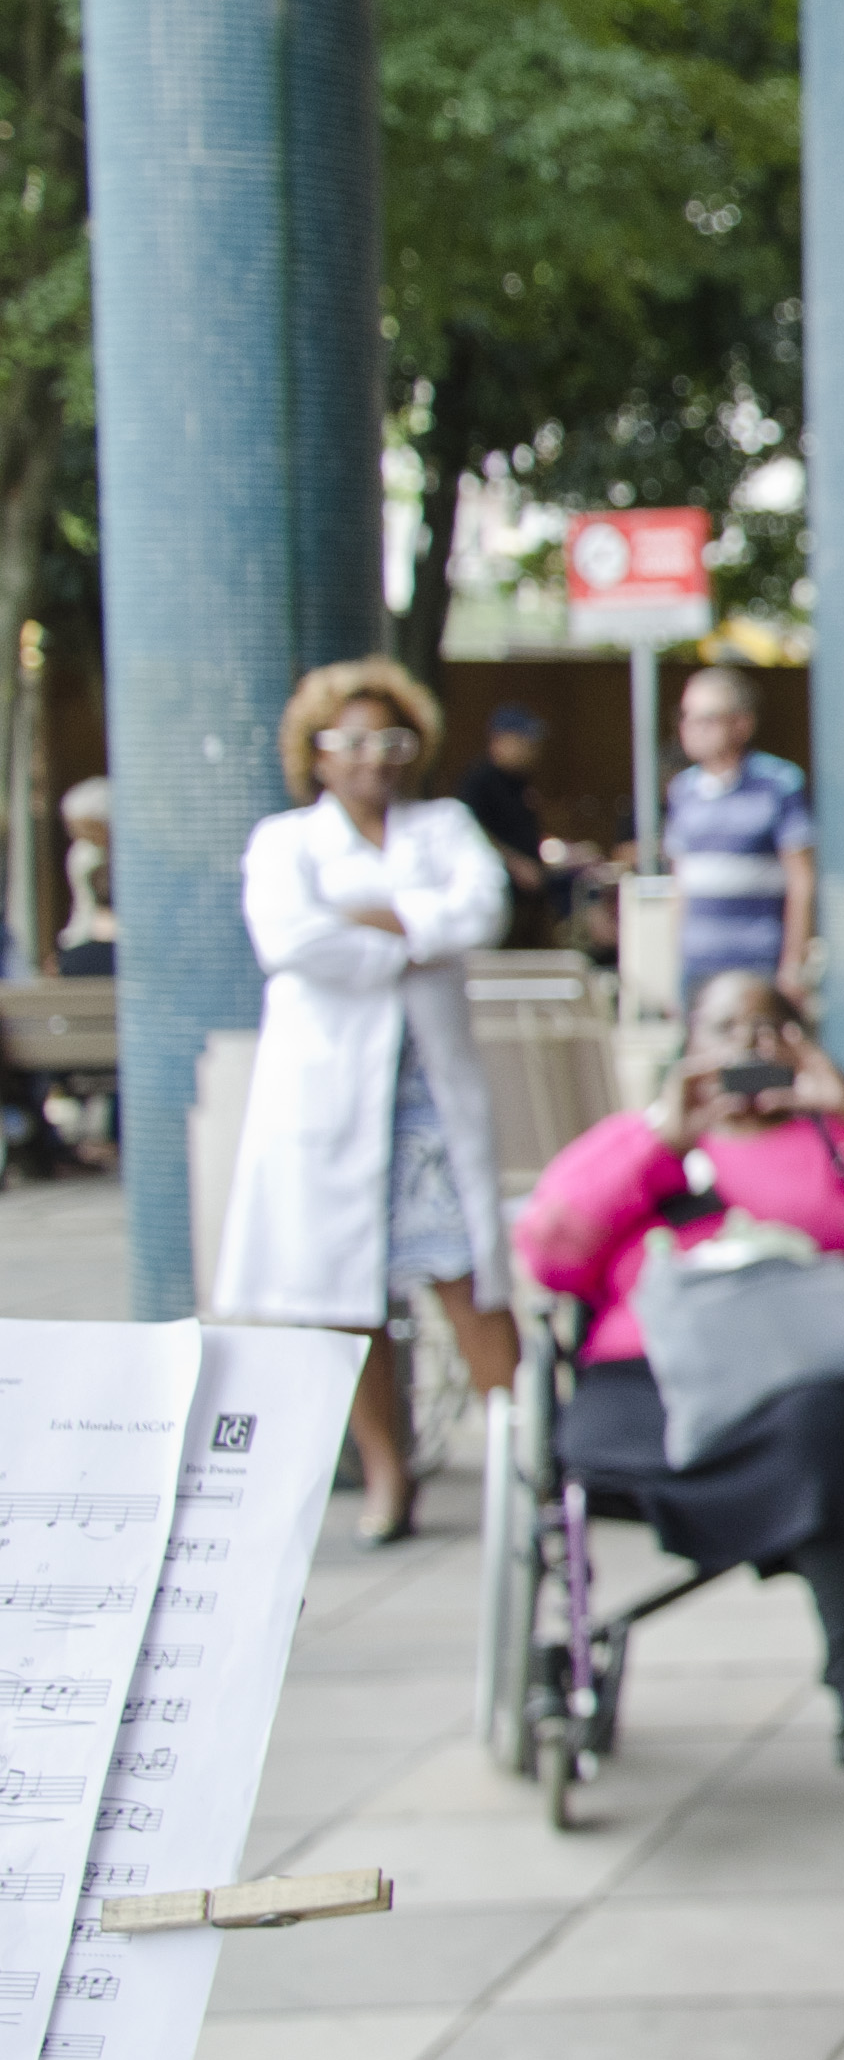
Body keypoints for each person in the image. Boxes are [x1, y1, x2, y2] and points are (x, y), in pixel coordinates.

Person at [511, 969, 844, 1759]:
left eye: (770, 1031)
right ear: (691, 1046)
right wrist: (662, 1136)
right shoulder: (642, 1142)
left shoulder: (839, 1145)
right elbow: (551, 1254)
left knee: (825, 1419)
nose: (748, 1048)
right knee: (811, 1425)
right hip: (650, 1395)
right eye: (726, 1030)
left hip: (809, 1403)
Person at [212, 661, 521, 1548]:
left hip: (428, 1093)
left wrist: (369, 919)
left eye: (392, 742)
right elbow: (292, 941)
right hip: (328, 1102)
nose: (374, 761)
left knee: (467, 1272)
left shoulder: (445, 825)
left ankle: (522, 1465)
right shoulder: (283, 842)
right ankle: (387, 1475)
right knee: (344, 1296)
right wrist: (410, 928)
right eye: (352, 743)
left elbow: (478, 915)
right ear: (315, 753)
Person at [663, 663, 816, 999]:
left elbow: (801, 879)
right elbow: (681, 883)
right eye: (686, 718)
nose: (692, 729)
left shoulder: (779, 784)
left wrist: (793, 962)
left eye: (706, 719)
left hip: (758, 964)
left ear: (742, 723)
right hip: (698, 966)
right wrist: (674, 967)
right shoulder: (682, 790)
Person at [454, 701, 558, 947]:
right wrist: (514, 864)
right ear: (502, 740)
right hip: (499, 894)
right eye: (524, 741)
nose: (532, 749)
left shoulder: (519, 782)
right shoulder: (480, 781)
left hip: (527, 900)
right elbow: (471, 831)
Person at [52, 774, 114, 976]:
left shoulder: (132, 859)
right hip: (88, 940)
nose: (80, 835)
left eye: (87, 828)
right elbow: (83, 905)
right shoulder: (82, 855)